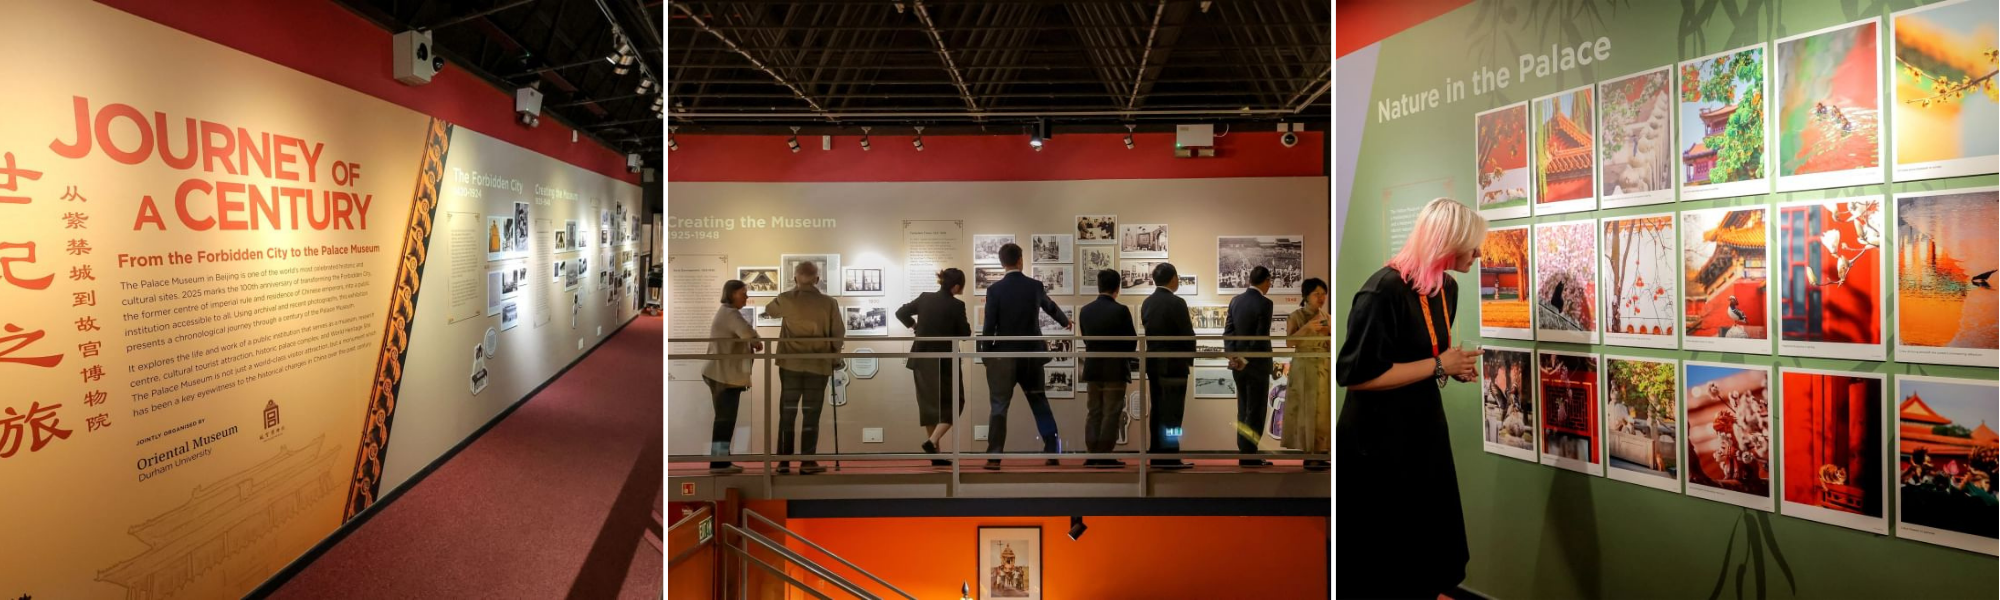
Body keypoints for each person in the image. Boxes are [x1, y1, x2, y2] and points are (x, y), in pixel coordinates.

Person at [1335, 197, 1485, 598]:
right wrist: (1440, 366)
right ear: (1449, 242)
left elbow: (1426, 357)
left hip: (1422, 428)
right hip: (1377, 439)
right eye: (1473, 244)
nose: (1479, 253)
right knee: (1385, 548)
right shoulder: (1381, 291)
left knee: (1426, 535)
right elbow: (1355, 376)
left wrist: (1450, 367)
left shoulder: (1446, 288)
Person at [979, 243, 1070, 469]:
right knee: (1039, 402)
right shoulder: (1034, 286)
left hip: (1003, 357)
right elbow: (1050, 306)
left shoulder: (994, 290)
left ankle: (994, 456)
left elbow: (989, 325)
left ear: (1002, 263)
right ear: (1020, 260)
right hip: (1031, 355)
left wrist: (986, 356)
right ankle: (1051, 451)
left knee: (999, 406)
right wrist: (1065, 321)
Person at [764, 261, 845, 475]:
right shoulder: (829, 303)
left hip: (790, 365)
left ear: (795, 278)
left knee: (787, 413)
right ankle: (808, 462)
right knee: (812, 415)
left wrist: (795, 290)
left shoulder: (786, 299)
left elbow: (769, 311)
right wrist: (836, 358)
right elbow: (838, 333)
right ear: (817, 279)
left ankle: (783, 462)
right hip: (818, 366)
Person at [896, 268, 972, 467]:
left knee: (929, 406)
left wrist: (914, 327)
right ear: (956, 286)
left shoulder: (924, 298)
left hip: (921, 358)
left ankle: (935, 455)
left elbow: (901, 312)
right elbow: (964, 333)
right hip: (945, 360)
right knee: (957, 402)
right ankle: (931, 442)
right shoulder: (957, 305)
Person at [702, 280, 764, 474]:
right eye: (743, 293)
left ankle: (721, 461)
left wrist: (754, 338)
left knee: (724, 420)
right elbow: (748, 334)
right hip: (724, 375)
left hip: (722, 373)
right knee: (725, 420)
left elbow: (750, 335)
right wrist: (755, 340)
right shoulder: (731, 314)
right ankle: (719, 463)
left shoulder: (728, 312)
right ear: (731, 294)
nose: (746, 296)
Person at [1078, 269, 1138, 468]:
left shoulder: (1085, 310)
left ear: (1099, 285)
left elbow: (1086, 338)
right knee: (1112, 412)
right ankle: (1104, 453)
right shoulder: (1121, 311)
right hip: (1115, 369)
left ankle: (1092, 452)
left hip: (1093, 369)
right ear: (1117, 288)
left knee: (1094, 410)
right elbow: (1131, 343)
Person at [1140, 262, 1195, 470]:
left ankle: (1156, 454)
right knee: (1173, 413)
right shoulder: (1177, 303)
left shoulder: (1147, 302)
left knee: (1157, 410)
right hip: (1174, 365)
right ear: (1173, 279)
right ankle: (1170, 455)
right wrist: (1190, 359)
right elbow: (1187, 334)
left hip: (1154, 364)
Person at [1225, 265, 1277, 467]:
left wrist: (1234, 357)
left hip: (1238, 365)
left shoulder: (1235, 301)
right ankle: (1250, 453)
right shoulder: (1265, 303)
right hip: (1256, 364)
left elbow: (1228, 332)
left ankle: (1244, 451)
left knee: (1243, 408)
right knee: (1255, 411)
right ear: (1266, 280)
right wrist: (1246, 359)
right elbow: (1260, 336)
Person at [1282, 277, 1330, 470]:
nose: (1321, 297)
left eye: (1323, 294)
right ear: (1306, 296)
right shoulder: (1296, 316)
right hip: (1303, 366)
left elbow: (1329, 342)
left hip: (1322, 365)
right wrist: (1308, 328)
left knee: (1322, 411)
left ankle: (1320, 451)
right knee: (1304, 409)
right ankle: (1308, 453)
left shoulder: (1326, 316)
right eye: (1316, 294)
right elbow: (1289, 342)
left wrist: (1329, 334)